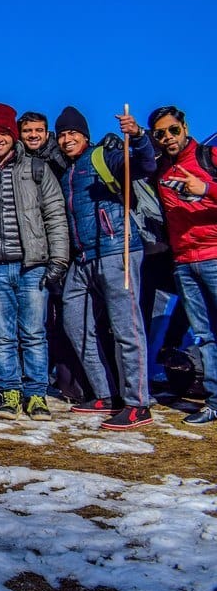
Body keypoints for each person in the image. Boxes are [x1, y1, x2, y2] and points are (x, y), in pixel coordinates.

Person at [55, 105, 157, 429]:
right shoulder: (67, 173)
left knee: (127, 327)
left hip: (117, 250)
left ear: (85, 135)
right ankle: (106, 394)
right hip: (83, 258)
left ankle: (138, 404)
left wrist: (137, 136)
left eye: (73, 132)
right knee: (74, 322)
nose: (67, 139)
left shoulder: (104, 157)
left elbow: (145, 165)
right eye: (62, 134)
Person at [0, 104, 69, 421]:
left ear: (13, 135)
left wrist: (58, 258)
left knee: (33, 333)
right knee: (2, 335)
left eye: (3, 133)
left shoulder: (36, 168)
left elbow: (55, 214)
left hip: (32, 265)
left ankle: (36, 394)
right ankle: (10, 392)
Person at [150, 105, 217, 425]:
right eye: (160, 133)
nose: (168, 137)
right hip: (184, 263)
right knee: (203, 335)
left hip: (214, 255)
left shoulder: (209, 157)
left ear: (185, 127)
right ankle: (214, 402)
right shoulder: (161, 169)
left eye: (173, 130)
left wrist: (206, 189)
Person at [18, 111, 69, 179]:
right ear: (19, 134)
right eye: (27, 131)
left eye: (39, 130)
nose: (33, 135)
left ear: (47, 134)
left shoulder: (62, 155)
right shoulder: (13, 158)